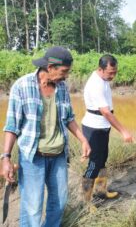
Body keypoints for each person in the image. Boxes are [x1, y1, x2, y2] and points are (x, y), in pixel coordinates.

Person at [0, 46, 91, 227]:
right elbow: (12, 126)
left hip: (58, 156)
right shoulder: (22, 86)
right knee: (32, 208)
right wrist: (6, 158)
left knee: (59, 203)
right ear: (50, 68)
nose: (66, 76)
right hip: (32, 157)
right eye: (64, 72)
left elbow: (69, 118)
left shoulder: (62, 88)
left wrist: (83, 139)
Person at [81, 54, 133, 203]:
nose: (113, 76)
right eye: (110, 72)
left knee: (103, 161)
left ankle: (101, 191)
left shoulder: (103, 79)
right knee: (93, 165)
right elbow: (105, 112)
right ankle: (86, 201)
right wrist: (124, 131)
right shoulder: (95, 84)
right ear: (100, 69)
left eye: (115, 72)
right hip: (93, 129)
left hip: (103, 127)